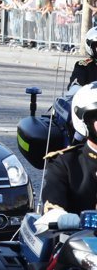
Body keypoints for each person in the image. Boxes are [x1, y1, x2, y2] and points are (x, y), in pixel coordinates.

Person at [41, 84, 97, 214]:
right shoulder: (65, 163)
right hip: (77, 234)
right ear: (85, 120)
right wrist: (58, 215)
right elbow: (52, 202)